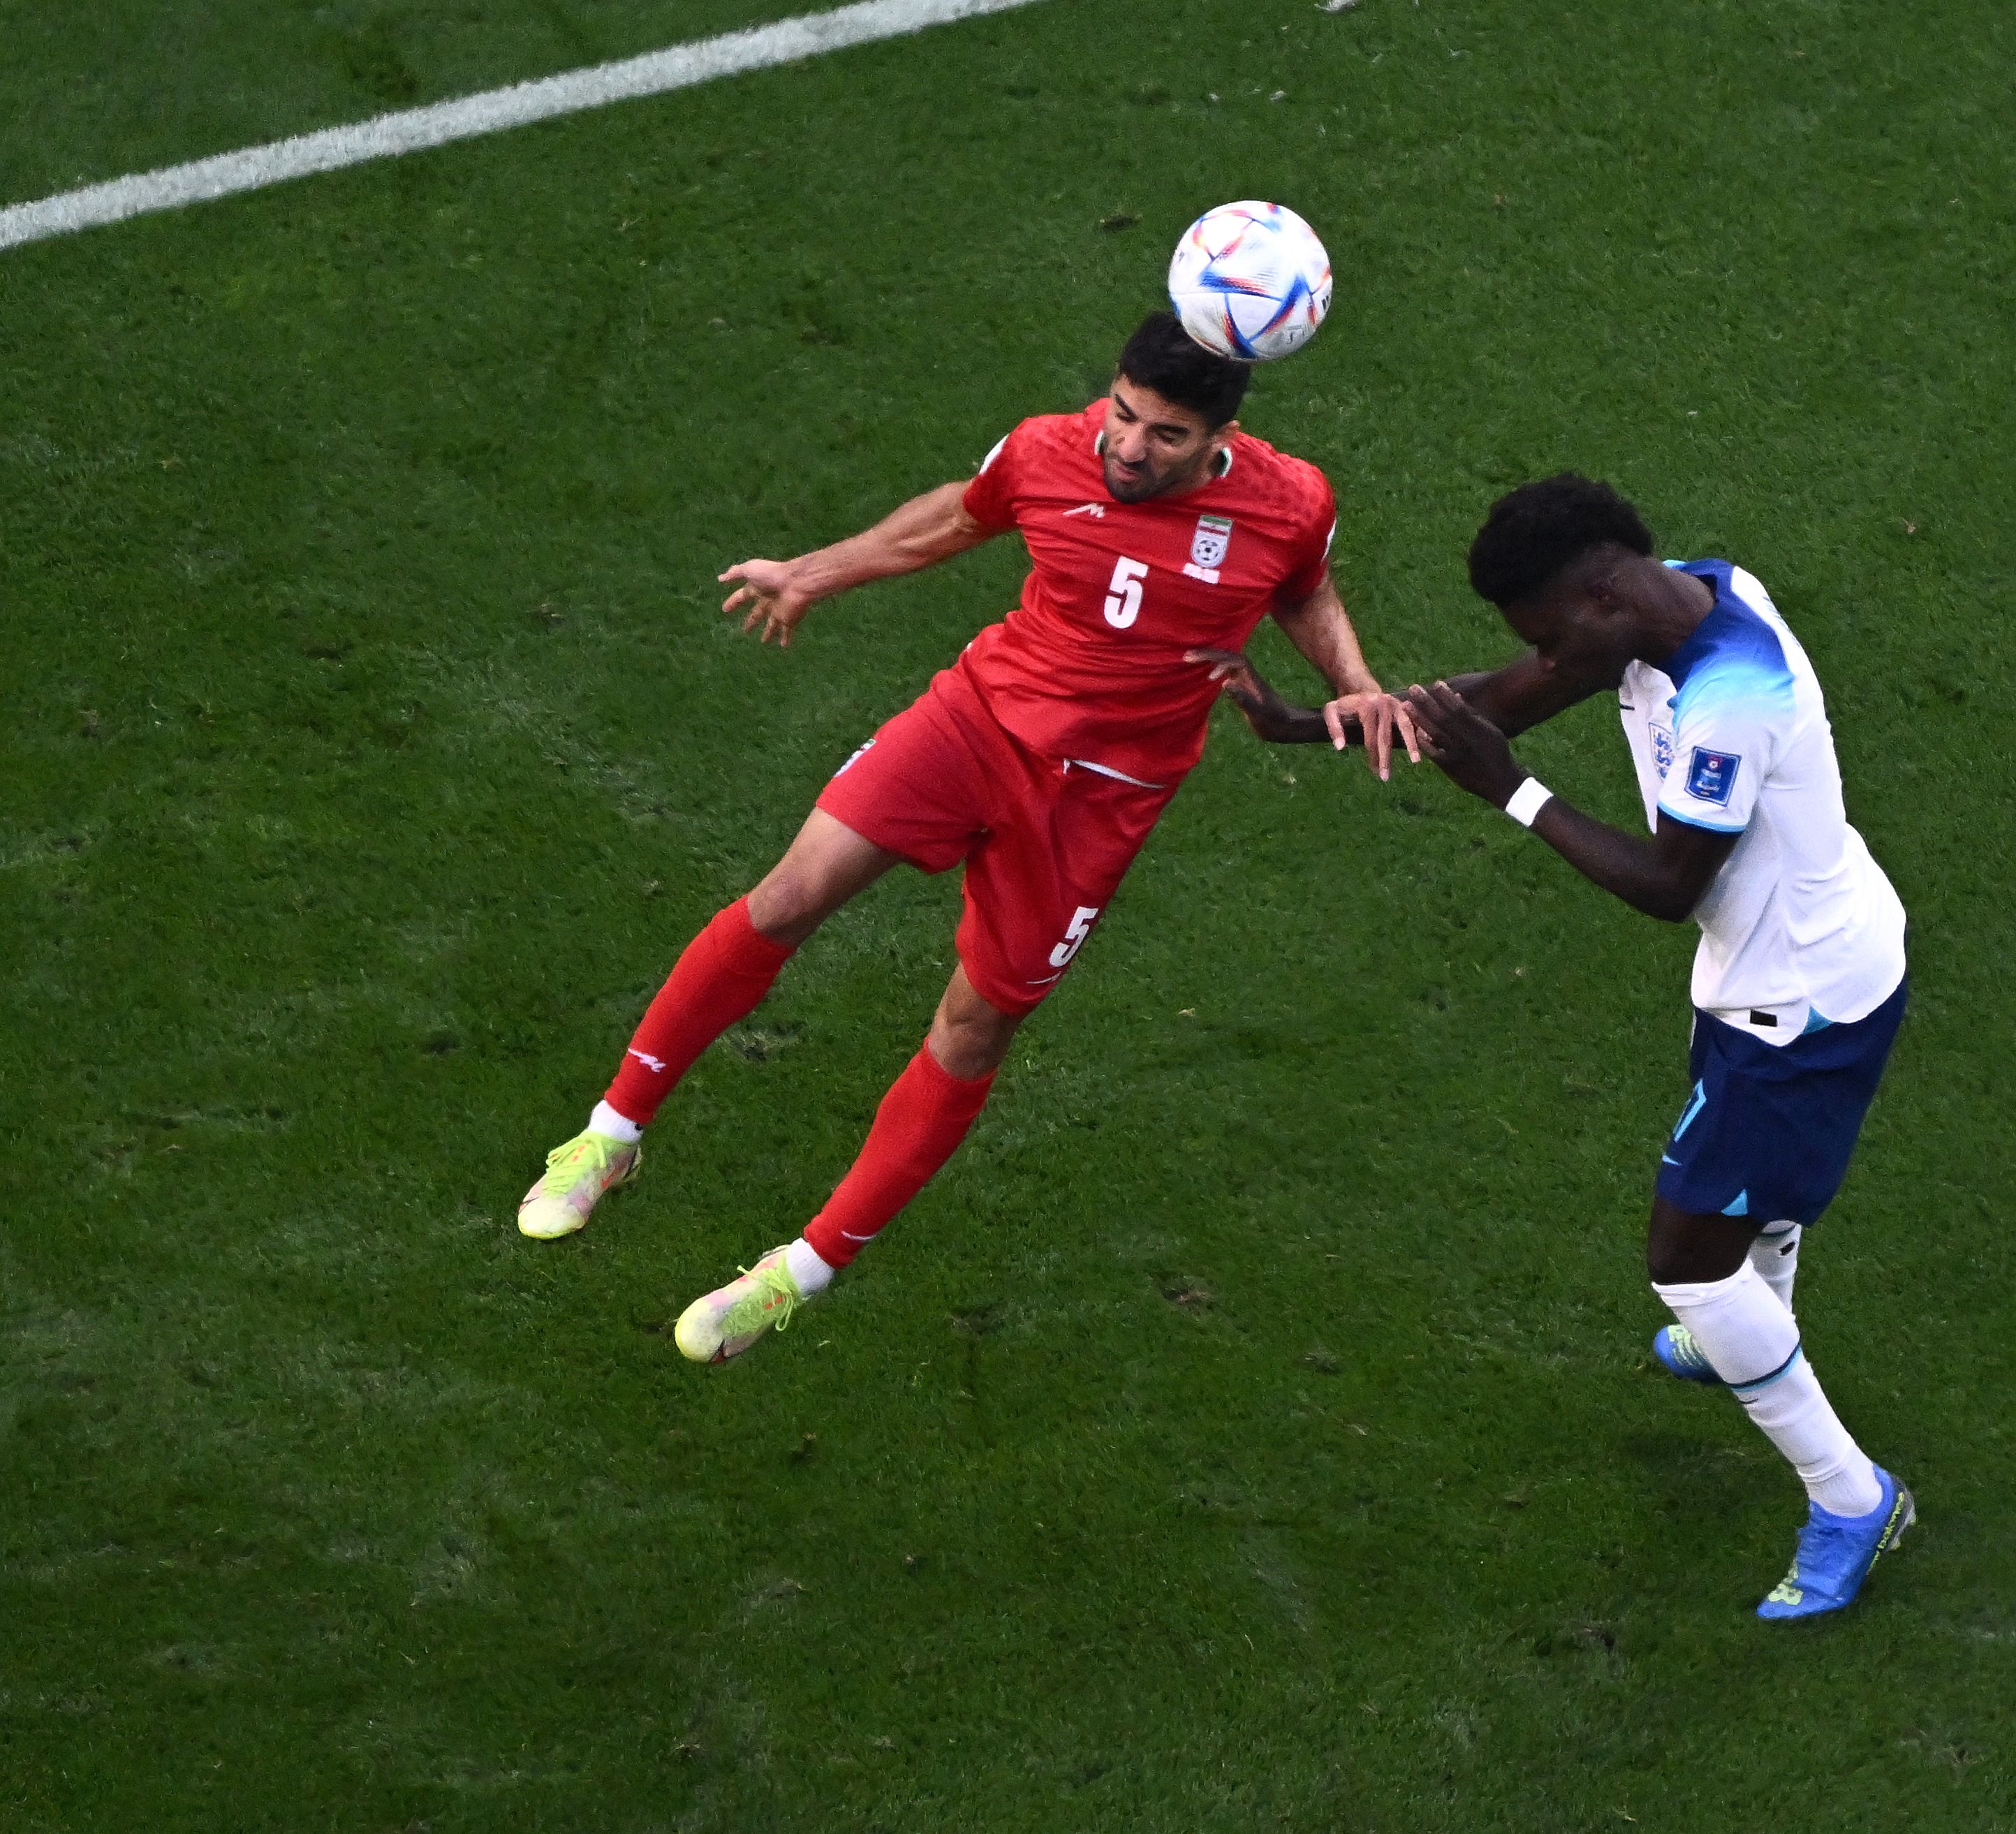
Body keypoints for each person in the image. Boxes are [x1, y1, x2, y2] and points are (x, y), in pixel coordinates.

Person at [515, 311, 1418, 1364]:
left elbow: (1302, 586)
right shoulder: (1045, 449)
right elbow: (952, 518)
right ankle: (609, 1137)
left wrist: (1352, 682)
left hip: (1100, 802)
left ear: (1220, 437)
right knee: (786, 897)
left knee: (973, 1027)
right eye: (1122, 414)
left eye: (1164, 437)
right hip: (977, 721)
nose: (1128, 447)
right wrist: (815, 569)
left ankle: (795, 1274)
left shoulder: (1289, 500)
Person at [1207, 474, 1913, 1620]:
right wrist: (1318, 719)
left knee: (1686, 1257)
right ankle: (1751, 1336)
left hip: (1798, 1006)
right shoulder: (1684, 599)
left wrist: (1514, 792)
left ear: (1598, 594)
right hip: (1785, 968)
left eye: (1546, 631)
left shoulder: (1734, 696)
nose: (1542, 657)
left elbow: (1667, 884)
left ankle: (1850, 1495)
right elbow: (1511, 694)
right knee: (1749, 1202)